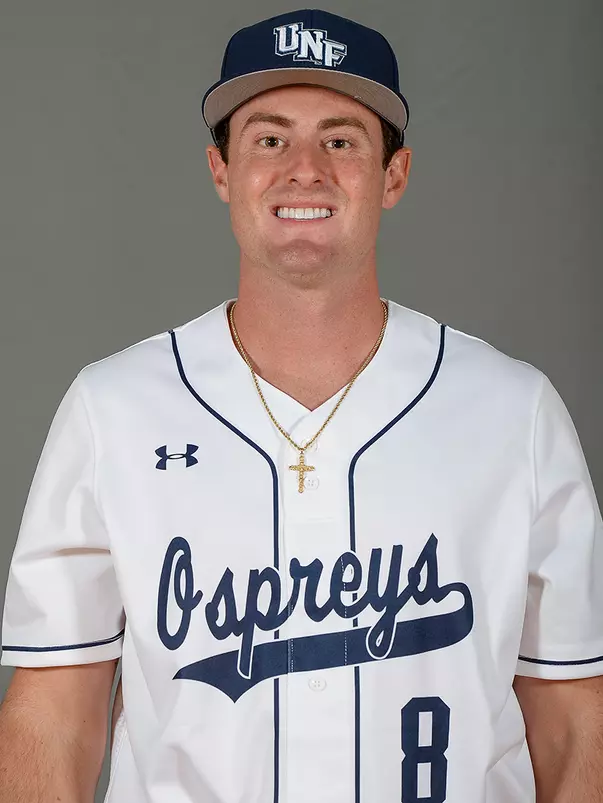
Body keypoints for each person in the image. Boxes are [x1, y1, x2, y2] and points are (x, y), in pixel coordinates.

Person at [1, 8, 602, 803]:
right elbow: (53, 719)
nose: (304, 169)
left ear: (393, 174)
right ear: (221, 170)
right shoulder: (112, 410)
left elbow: (573, 721)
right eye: (269, 139)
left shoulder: (511, 413)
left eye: (341, 140)